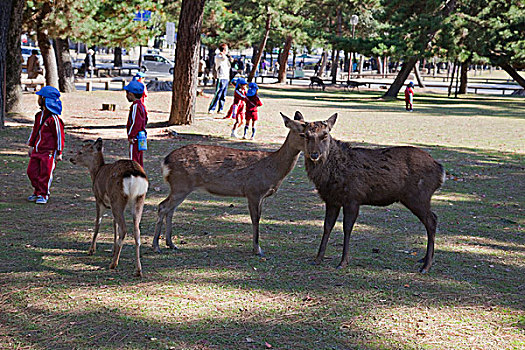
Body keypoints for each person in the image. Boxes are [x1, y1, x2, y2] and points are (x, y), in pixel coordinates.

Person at [26, 86, 65, 204]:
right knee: (31, 172)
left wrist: (59, 152)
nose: (38, 99)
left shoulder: (54, 119)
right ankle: (37, 191)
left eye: (40, 97)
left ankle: (43, 194)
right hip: (37, 150)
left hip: (49, 152)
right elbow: (35, 132)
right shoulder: (39, 116)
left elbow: (59, 136)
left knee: (45, 173)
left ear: (45, 100)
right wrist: (31, 146)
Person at [124, 79, 148, 168]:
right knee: (139, 157)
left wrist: (131, 136)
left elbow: (135, 123)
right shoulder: (142, 106)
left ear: (131, 94)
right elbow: (145, 119)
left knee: (133, 159)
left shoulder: (135, 106)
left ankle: (135, 174)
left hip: (135, 138)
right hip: (141, 137)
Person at [208, 43, 231, 114]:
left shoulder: (225, 57)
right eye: (226, 49)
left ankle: (220, 109)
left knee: (223, 95)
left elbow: (229, 65)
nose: (227, 51)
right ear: (224, 50)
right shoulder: (218, 56)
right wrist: (222, 53)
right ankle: (211, 108)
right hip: (221, 77)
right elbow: (223, 58)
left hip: (226, 77)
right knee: (218, 93)